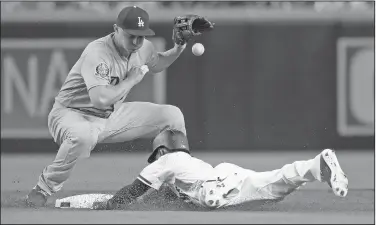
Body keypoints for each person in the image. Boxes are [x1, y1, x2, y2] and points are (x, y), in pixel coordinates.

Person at [25, 6, 213, 207]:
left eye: (140, 37)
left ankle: (175, 185)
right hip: (71, 114)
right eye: (131, 36)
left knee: (171, 116)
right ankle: (43, 188)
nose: (136, 42)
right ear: (116, 29)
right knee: (83, 136)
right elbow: (99, 99)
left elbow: (157, 63)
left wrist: (178, 47)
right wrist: (131, 80)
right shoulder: (98, 53)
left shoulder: (143, 47)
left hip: (109, 117)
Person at [91, 138, 349, 210]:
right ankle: (315, 166)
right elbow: (156, 199)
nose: (153, 161)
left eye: (154, 155)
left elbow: (136, 189)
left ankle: (214, 193)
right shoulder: (182, 169)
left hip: (215, 183)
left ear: (161, 150)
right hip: (228, 175)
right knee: (274, 186)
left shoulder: (166, 160)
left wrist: (110, 204)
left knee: (208, 198)